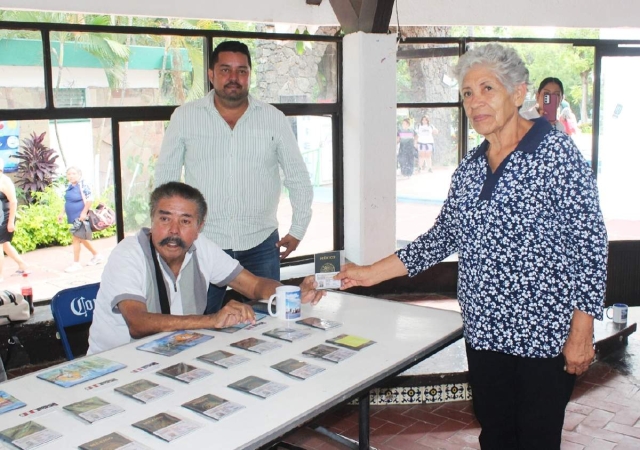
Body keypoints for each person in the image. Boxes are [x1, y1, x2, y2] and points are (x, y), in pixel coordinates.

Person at [336, 44, 607, 450]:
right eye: (467, 93)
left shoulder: (556, 154)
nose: (475, 101)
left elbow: (589, 244)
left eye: (487, 88)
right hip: (484, 333)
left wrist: (582, 329)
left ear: (517, 93)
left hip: (543, 336)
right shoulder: (470, 168)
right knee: (495, 435)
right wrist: (367, 273)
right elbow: (440, 237)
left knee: (535, 438)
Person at [155, 40, 313, 315]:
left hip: (261, 244)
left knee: (270, 322)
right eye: (225, 70)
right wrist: (169, 233)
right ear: (211, 74)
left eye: (242, 71)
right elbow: (166, 182)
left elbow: (297, 176)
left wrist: (298, 229)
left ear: (249, 75)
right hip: (203, 245)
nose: (234, 78)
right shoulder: (185, 118)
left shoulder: (273, 119)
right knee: (198, 325)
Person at [87, 182, 324, 355]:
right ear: (152, 220)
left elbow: (254, 285)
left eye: (185, 221)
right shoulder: (128, 254)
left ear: (200, 226)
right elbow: (138, 324)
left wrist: (291, 294)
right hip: (119, 365)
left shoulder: (202, 248)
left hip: (176, 355)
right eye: (165, 219)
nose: (173, 230)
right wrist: (212, 320)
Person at [57, 167, 103, 273]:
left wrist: (83, 212)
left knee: (76, 238)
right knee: (81, 238)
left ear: (79, 174)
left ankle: (76, 263)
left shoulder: (83, 185)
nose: (71, 175)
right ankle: (97, 255)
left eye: (73, 173)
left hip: (80, 216)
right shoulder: (69, 186)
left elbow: (90, 199)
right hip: (72, 216)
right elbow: (67, 201)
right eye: (69, 174)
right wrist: (62, 213)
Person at [0, 159, 29, 281]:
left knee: (0, 246)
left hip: (5, 216)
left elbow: (13, 201)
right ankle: (23, 265)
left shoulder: (4, 181)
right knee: (5, 244)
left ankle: (0, 275)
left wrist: (11, 221)